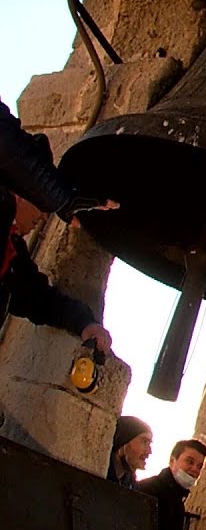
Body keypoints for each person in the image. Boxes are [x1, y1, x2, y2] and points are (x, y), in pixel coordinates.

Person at [1, 97, 112, 351]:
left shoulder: (12, 255)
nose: (43, 217)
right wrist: (60, 197)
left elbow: (38, 300)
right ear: (22, 191)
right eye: (42, 206)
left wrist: (84, 323)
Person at [138, 438, 206, 530]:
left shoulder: (177, 497)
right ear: (172, 461)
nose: (195, 469)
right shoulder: (148, 489)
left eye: (199, 466)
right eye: (190, 462)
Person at [108, 415, 153, 489]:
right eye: (144, 442)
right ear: (123, 443)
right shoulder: (98, 472)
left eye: (149, 444)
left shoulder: (131, 485)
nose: (149, 451)